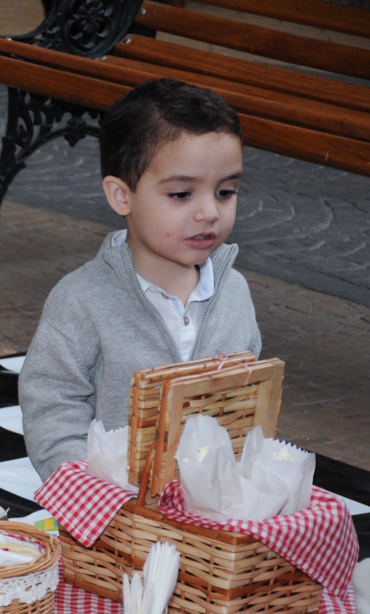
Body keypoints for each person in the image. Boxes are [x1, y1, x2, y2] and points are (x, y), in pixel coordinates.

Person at [20, 78, 262, 482]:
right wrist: (83, 489)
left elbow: (248, 401)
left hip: (212, 510)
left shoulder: (234, 291)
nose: (209, 212)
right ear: (121, 196)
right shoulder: (82, 299)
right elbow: (52, 403)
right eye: (182, 194)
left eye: (225, 191)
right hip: (113, 512)